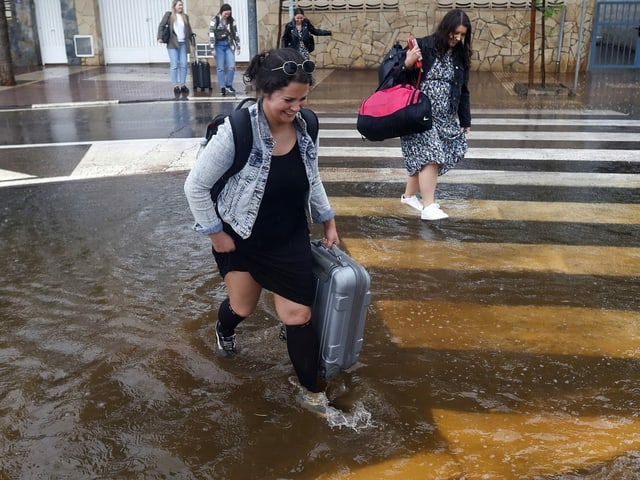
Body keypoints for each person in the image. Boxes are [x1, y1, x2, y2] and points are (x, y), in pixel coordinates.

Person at [184, 48, 339, 402]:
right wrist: (215, 232)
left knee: (298, 314)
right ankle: (224, 328)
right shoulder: (237, 131)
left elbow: (312, 178)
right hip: (240, 236)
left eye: (302, 99)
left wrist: (328, 219)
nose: (296, 108)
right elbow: (195, 186)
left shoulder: (306, 125)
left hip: (288, 235)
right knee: (243, 307)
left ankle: (313, 396)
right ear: (265, 92)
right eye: (288, 100)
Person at [394, 9, 472, 220]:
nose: (457, 38)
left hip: (445, 116)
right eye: (455, 33)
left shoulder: (460, 56)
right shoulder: (423, 46)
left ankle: (409, 196)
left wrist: (465, 120)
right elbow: (396, 76)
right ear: (446, 29)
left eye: (463, 35)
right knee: (431, 155)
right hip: (419, 112)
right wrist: (407, 63)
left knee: (437, 153)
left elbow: (463, 90)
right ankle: (428, 206)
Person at [157, 0, 193, 97]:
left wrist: (192, 39)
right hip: (172, 44)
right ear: (174, 6)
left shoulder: (185, 16)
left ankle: (183, 84)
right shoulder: (169, 15)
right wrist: (160, 37)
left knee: (184, 64)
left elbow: (188, 29)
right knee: (174, 65)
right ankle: (175, 86)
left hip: (183, 44)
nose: (181, 6)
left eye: (182, 5)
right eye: (179, 5)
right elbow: (161, 25)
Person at [209, 3, 240, 97]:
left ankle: (228, 85)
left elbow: (235, 33)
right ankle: (222, 87)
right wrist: (212, 48)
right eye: (225, 14)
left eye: (228, 14)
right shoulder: (215, 20)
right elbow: (211, 34)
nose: (227, 15)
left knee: (231, 66)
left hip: (228, 45)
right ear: (221, 12)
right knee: (220, 68)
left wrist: (238, 46)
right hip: (218, 46)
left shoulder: (231, 21)